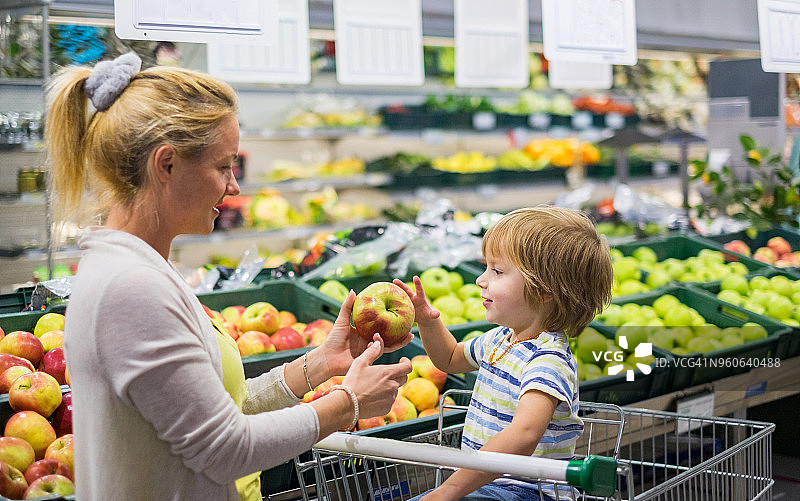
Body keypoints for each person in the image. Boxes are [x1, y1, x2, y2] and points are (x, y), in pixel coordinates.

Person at [46, 51, 413, 501]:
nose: (235, 187)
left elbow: (218, 413)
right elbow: (224, 449)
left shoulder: (142, 269)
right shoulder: (131, 289)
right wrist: (347, 404)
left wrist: (319, 366)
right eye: (224, 166)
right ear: (167, 165)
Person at [396, 207, 613, 501]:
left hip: (529, 491)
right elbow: (448, 359)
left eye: (497, 271)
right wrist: (428, 320)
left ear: (544, 290)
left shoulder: (547, 361)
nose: (481, 280)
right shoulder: (500, 340)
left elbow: (524, 435)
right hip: (487, 483)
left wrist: (449, 490)